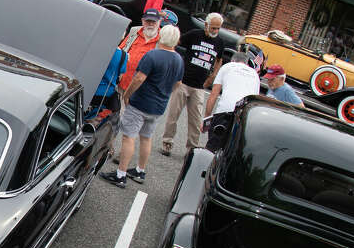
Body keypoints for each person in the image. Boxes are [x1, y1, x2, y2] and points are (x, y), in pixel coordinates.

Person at [99, 25, 183, 187]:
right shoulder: (179, 60)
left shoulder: (152, 55)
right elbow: (178, 83)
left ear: (161, 37)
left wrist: (127, 94)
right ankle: (140, 170)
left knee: (129, 136)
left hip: (141, 102)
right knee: (146, 137)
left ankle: (121, 174)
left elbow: (139, 78)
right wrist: (166, 92)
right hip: (159, 105)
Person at [160, 12, 225, 156]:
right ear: (206, 25)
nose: (215, 31)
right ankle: (167, 142)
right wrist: (175, 62)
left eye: (218, 29)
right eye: (213, 28)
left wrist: (214, 75)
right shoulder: (195, 34)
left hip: (199, 86)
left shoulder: (219, 42)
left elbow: (219, 59)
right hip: (183, 81)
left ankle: (192, 150)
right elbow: (176, 42)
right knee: (173, 115)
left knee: (195, 121)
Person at [202, 46, 262, 150]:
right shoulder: (254, 74)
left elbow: (213, 95)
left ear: (233, 60)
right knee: (232, 148)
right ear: (246, 63)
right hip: (244, 114)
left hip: (225, 110)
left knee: (213, 145)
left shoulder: (227, 67)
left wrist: (207, 119)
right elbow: (255, 100)